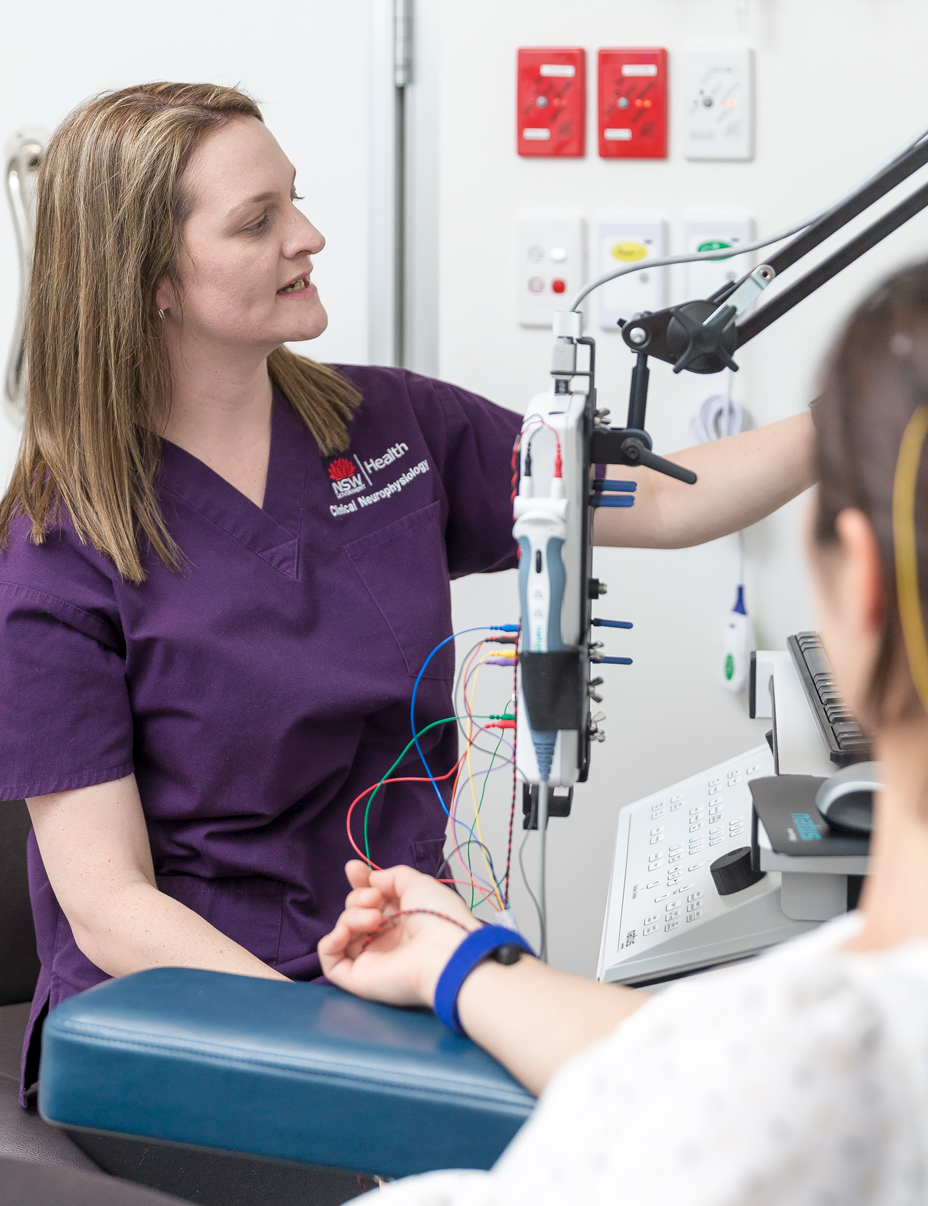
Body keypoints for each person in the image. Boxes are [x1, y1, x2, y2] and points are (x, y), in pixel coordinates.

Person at [0, 81, 815, 1106]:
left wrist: (865, 412)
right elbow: (110, 910)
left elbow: (669, 501)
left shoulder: (390, 426)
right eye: (257, 221)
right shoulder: (47, 556)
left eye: (295, 200)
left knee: (648, 1091)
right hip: (189, 1018)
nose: (308, 236)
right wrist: (332, 1036)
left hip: (391, 954)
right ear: (152, 284)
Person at [318, 262, 928, 1205]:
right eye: (259, 218)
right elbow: (688, 1063)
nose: (308, 238)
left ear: (861, 586)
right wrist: (454, 961)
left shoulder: (807, 1068)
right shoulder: (793, 1046)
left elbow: (726, 1082)